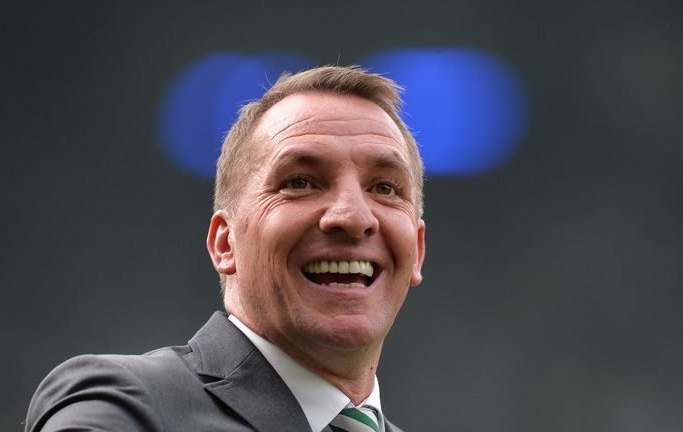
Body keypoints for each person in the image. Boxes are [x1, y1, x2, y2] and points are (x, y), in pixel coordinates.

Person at [25, 65, 426, 432]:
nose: (354, 217)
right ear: (225, 242)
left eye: (385, 188)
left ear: (417, 250)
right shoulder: (126, 405)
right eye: (301, 182)